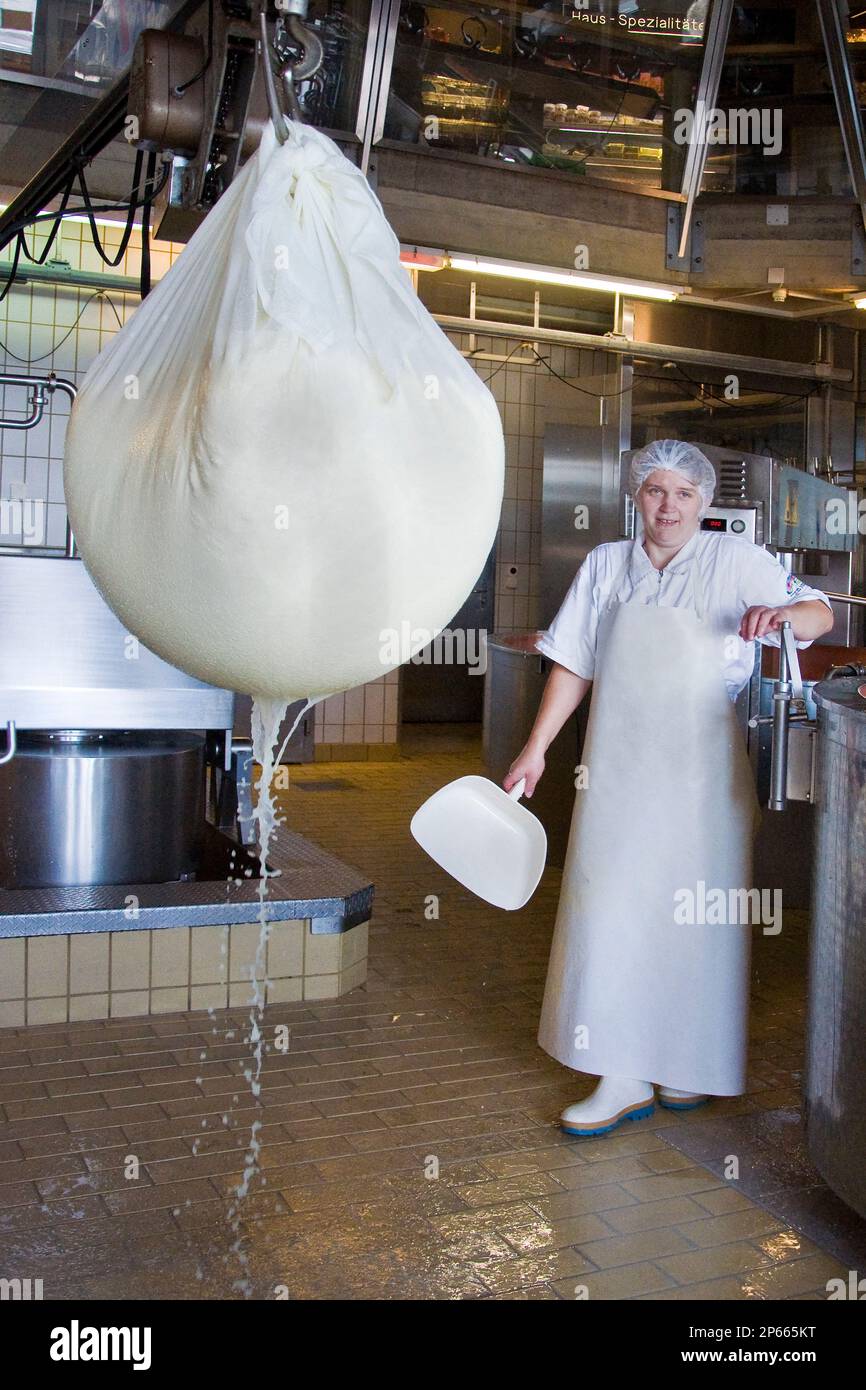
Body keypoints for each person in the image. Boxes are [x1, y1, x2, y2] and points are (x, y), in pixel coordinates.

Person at [506, 439, 834, 1137]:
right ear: (635, 497)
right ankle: (619, 1073)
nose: (669, 506)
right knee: (615, 912)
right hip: (617, 776)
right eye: (655, 491)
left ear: (705, 502)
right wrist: (534, 750)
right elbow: (571, 663)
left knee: (696, 923)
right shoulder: (605, 565)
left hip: (702, 781)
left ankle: (689, 1060)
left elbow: (819, 615)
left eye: (684, 494)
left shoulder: (736, 562)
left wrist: (780, 618)